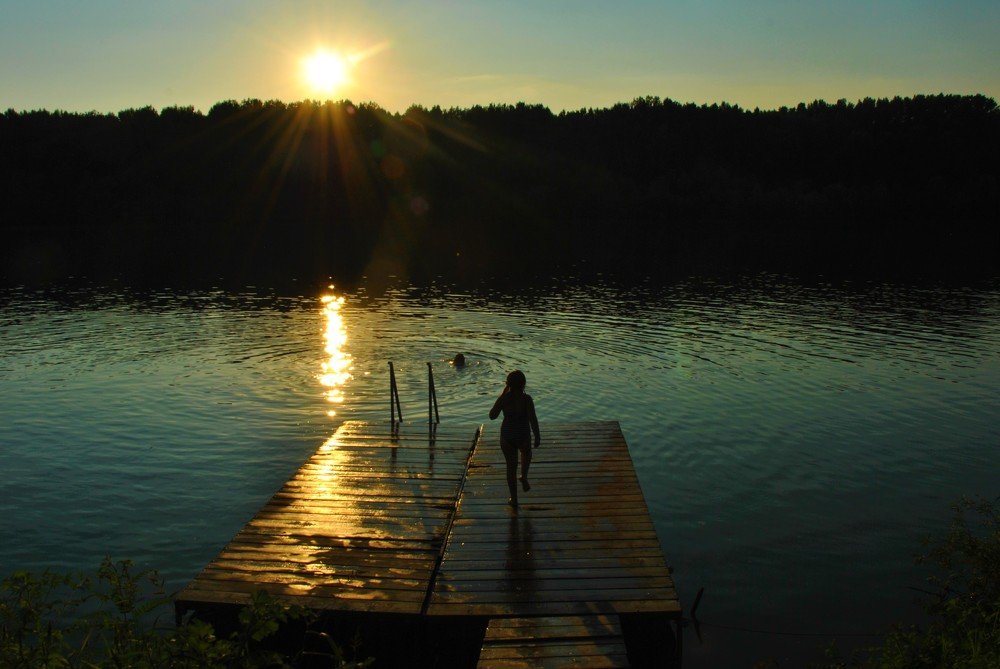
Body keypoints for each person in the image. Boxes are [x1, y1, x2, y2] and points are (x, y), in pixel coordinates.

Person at [489, 370, 540, 509]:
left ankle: (514, 498)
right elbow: (532, 419)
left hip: (507, 436)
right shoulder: (527, 399)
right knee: (526, 453)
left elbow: (492, 415)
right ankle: (524, 476)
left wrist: (502, 394)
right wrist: (537, 435)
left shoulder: (505, 398)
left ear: (508, 384)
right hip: (523, 434)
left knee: (511, 468)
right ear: (524, 384)